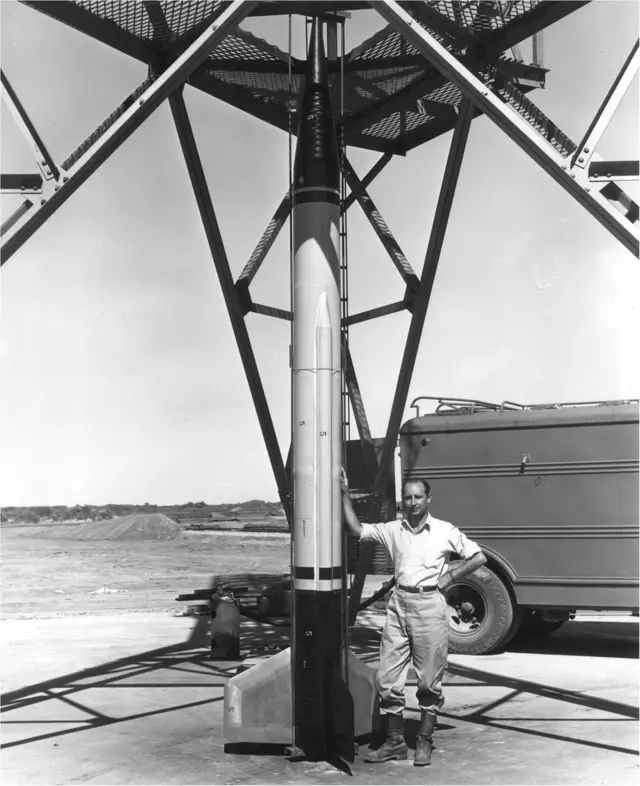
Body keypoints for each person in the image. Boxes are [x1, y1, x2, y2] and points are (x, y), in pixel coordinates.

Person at [341, 470, 486, 766]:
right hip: (398, 604)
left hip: (430, 606)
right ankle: (395, 743)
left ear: (428, 499)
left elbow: (478, 556)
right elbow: (357, 529)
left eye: (418, 496)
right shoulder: (394, 530)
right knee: (386, 678)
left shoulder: (445, 530)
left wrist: (450, 576)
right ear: (402, 502)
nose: (413, 502)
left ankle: (424, 740)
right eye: (407, 497)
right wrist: (344, 492)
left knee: (428, 681)